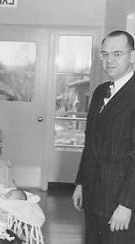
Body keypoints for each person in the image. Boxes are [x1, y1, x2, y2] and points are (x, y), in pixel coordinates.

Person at [72, 30, 135, 244]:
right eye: (105, 54)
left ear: (133, 56)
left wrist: (127, 205)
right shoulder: (100, 92)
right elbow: (90, 143)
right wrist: (81, 182)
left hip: (120, 202)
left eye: (117, 54)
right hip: (92, 194)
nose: (109, 60)